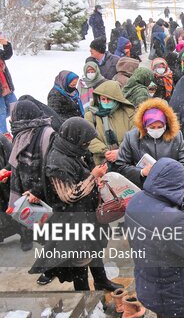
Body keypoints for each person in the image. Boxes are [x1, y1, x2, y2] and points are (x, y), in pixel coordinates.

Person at [28, 117, 119, 291]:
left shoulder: (69, 149)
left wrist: (95, 180)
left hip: (86, 215)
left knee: (94, 248)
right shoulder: (58, 161)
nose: (86, 145)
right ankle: (83, 297)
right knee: (80, 259)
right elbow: (69, 195)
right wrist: (93, 177)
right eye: (84, 142)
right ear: (74, 138)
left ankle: (101, 280)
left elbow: (79, 176)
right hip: (73, 219)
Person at [125, 158, 184, 318]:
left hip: (152, 284)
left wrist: (181, 212)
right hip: (177, 294)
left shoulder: (136, 200)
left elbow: (159, 223)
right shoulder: (171, 221)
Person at [7, 100, 55, 251]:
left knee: (53, 235)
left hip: (44, 194)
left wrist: (38, 191)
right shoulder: (21, 134)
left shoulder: (47, 134)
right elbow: (17, 162)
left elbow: (51, 167)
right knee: (43, 234)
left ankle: (54, 269)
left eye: (14, 117)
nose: (11, 120)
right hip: (28, 193)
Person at [116, 98, 184, 187]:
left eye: (160, 126)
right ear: (144, 125)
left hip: (170, 187)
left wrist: (171, 174)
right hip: (143, 188)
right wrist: (141, 172)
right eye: (152, 127)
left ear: (165, 124)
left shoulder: (175, 136)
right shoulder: (132, 138)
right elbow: (121, 166)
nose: (156, 130)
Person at [84, 81, 135, 166]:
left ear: (116, 98)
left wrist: (120, 151)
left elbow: (134, 134)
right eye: (103, 99)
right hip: (103, 163)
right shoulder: (90, 116)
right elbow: (89, 138)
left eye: (109, 99)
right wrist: (106, 152)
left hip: (128, 160)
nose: (106, 102)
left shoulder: (128, 112)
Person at [0, 36, 17, 138]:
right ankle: (4, 134)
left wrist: (5, 43)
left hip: (7, 87)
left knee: (14, 107)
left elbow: (7, 54)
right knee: (1, 111)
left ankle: (19, 127)